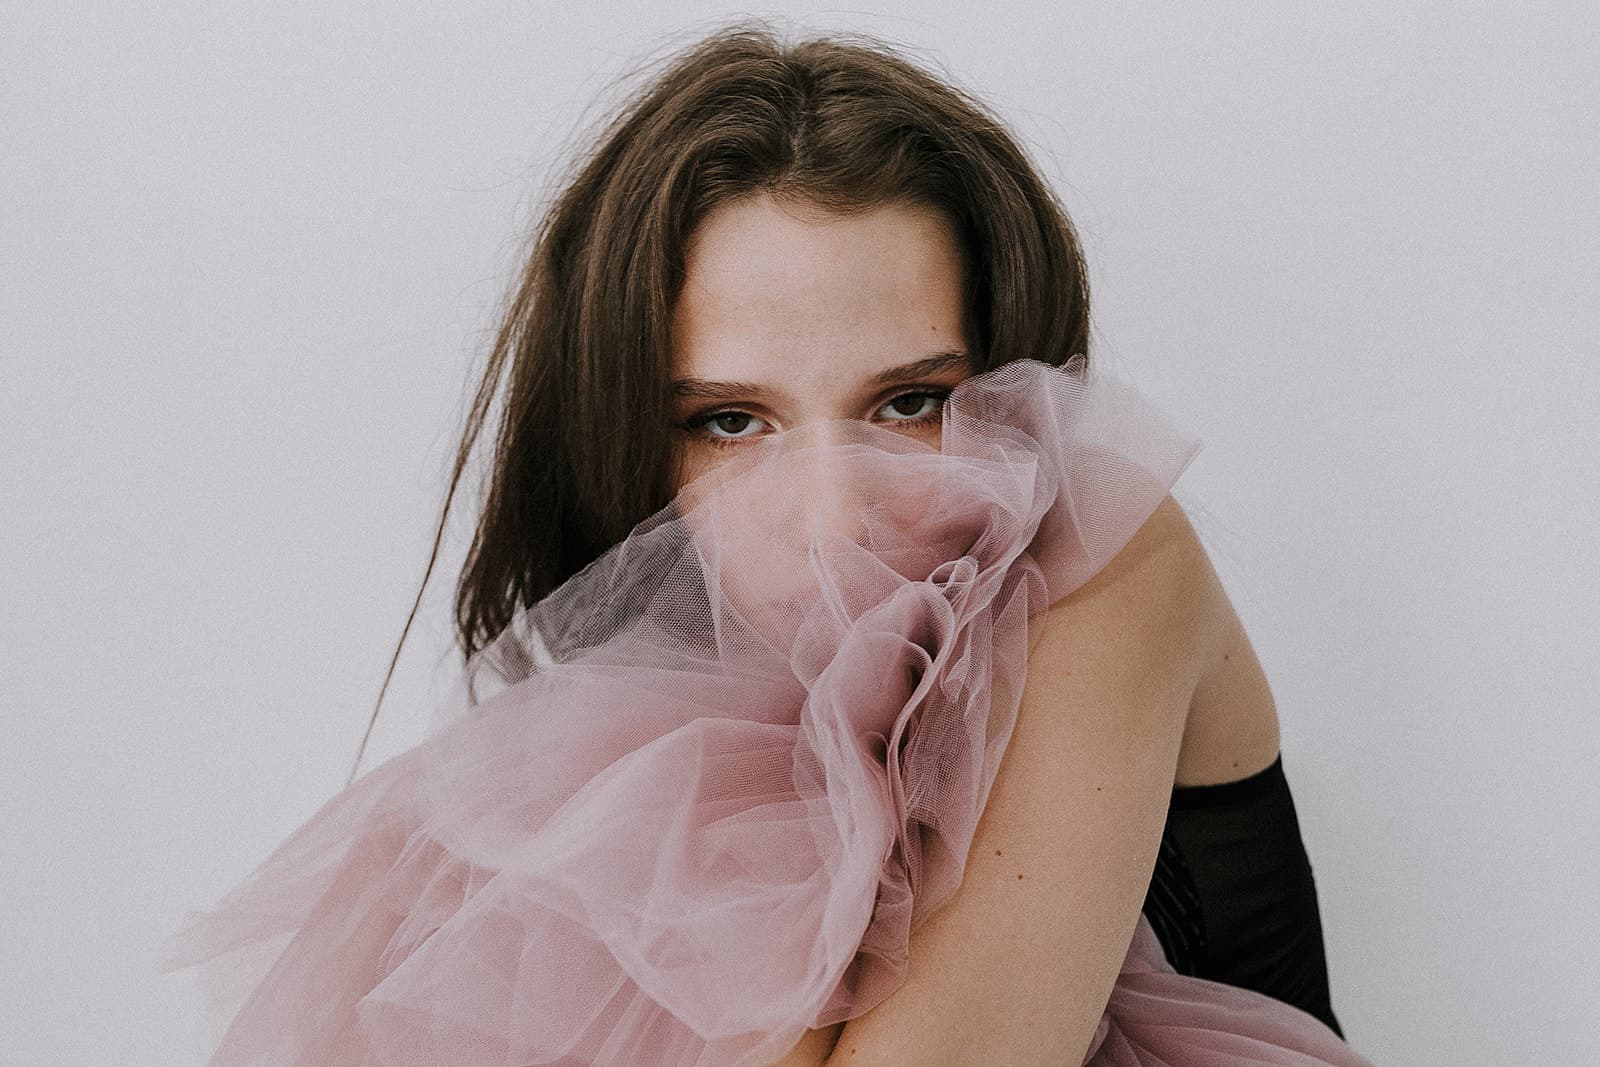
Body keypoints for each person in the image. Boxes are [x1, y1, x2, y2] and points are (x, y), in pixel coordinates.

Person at [162, 24, 1373, 1066]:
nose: (836, 516)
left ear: (1012, 384)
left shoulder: (1110, 559)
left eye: (910, 404)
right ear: (632, 447)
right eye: (730, 424)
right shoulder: (628, 756)